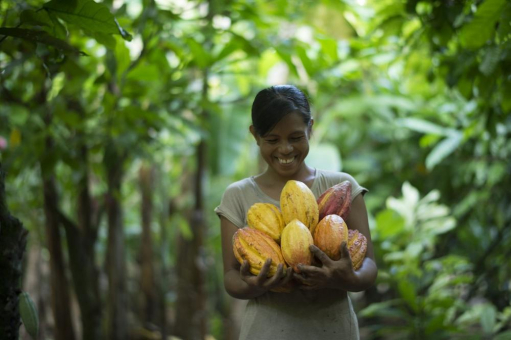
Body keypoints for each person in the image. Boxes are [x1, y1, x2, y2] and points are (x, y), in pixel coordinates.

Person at [215, 85, 378, 340]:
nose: (285, 149)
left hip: (333, 330)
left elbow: (369, 265)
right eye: (272, 140)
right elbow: (230, 277)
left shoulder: (341, 187)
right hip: (266, 331)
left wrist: (344, 278)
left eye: (295, 137)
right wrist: (253, 284)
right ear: (255, 135)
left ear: (310, 128)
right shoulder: (237, 196)